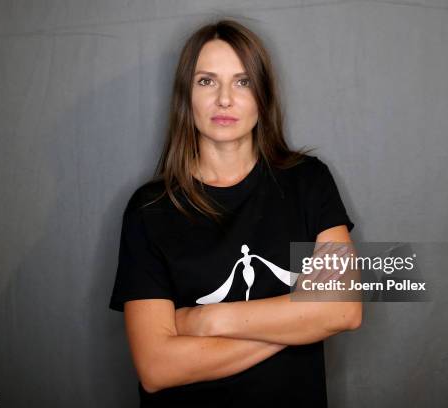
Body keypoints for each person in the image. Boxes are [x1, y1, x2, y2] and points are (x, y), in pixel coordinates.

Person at [109, 19, 362, 408]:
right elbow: (157, 368)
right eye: (206, 81)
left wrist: (206, 321)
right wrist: (301, 320)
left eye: (242, 82)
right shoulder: (149, 209)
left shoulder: (307, 181)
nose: (224, 99)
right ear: (185, 96)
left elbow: (343, 309)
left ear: (262, 95)